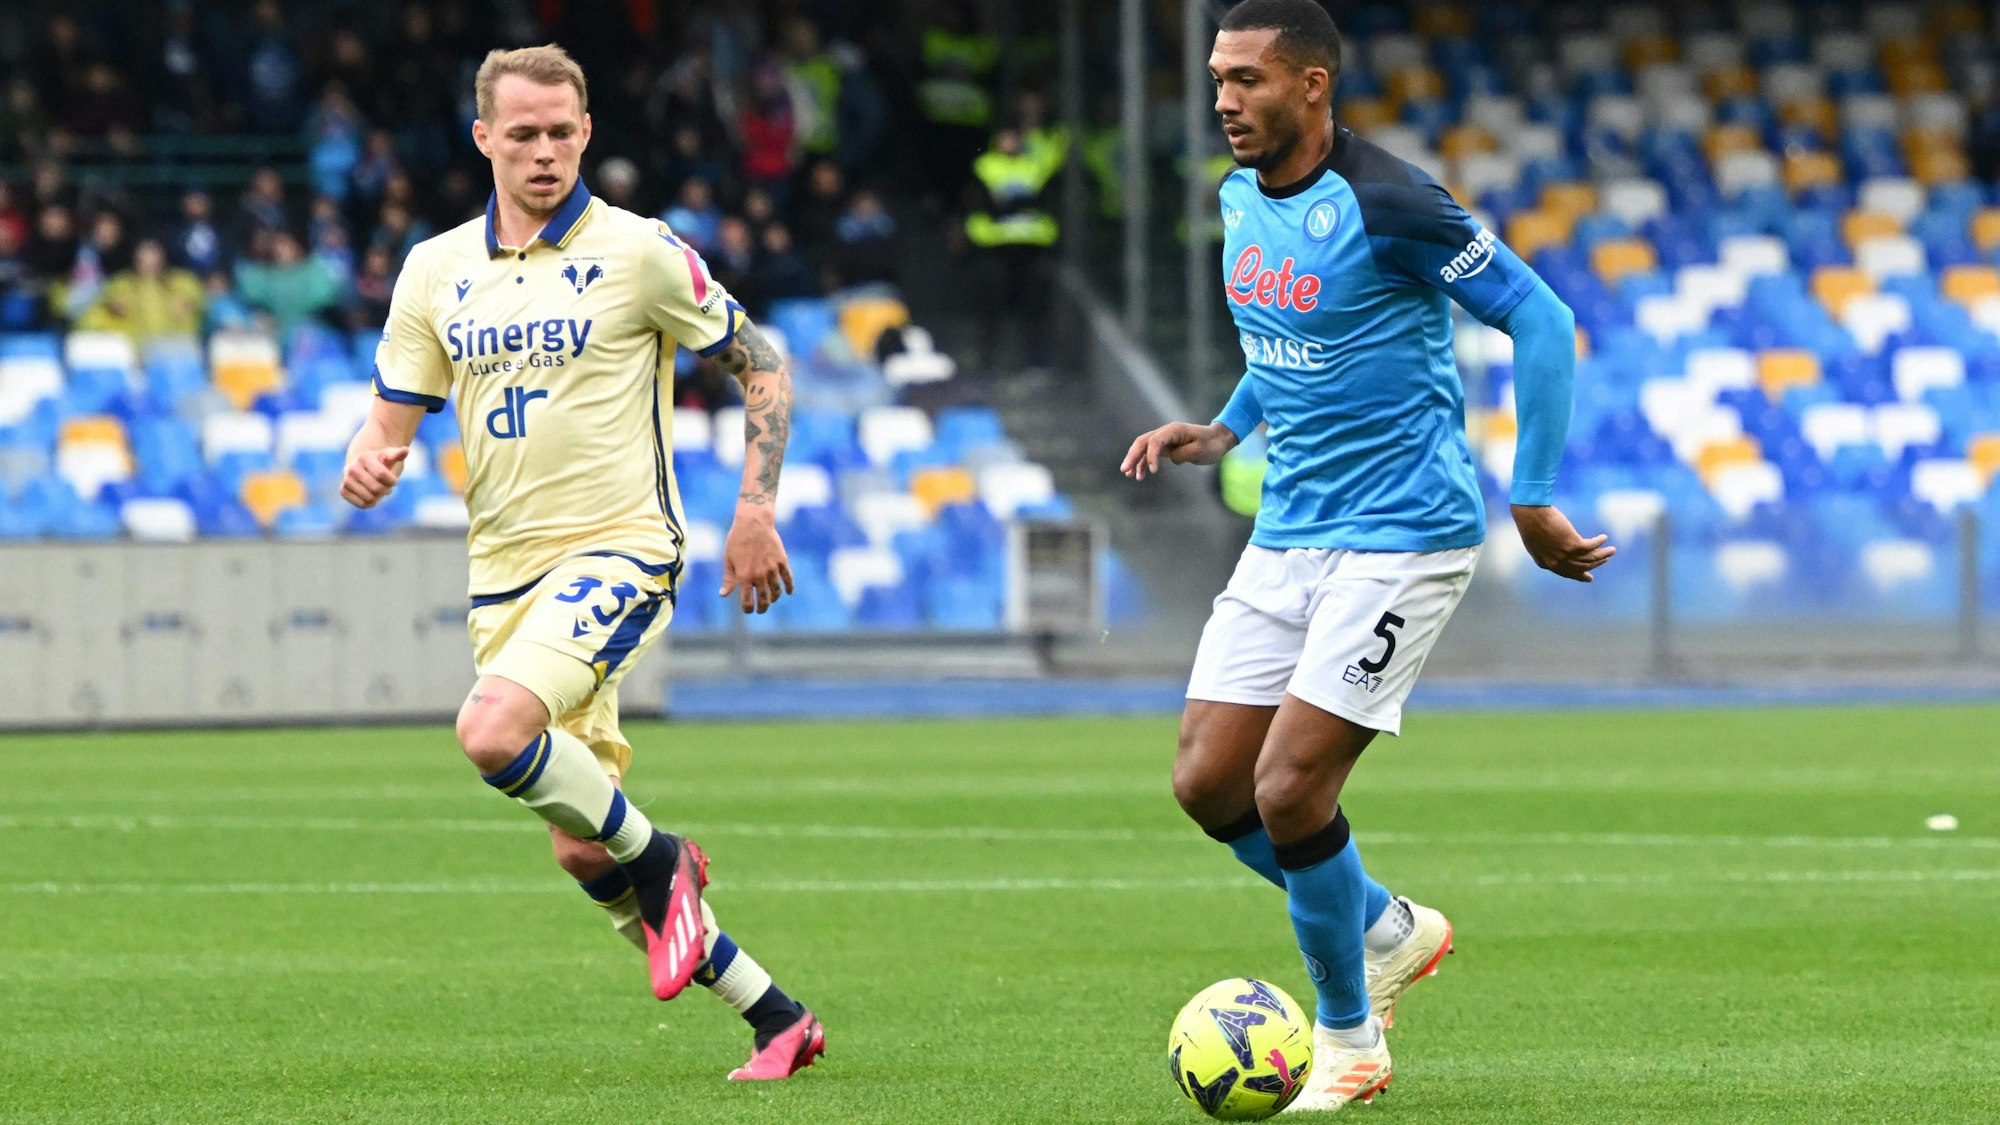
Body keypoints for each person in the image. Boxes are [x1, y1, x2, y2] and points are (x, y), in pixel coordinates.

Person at [1121, 1, 1614, 1111]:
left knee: (1290, 788)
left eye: (1246, 79)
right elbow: (1290, 337)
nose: (1223, 101)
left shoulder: (1391, 203)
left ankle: (1347, 1040)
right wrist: (1226, 429)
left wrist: (1532, 494)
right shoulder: (1237, 195)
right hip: (1291, 528)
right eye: (1216, 79)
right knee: (1207, 782)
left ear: (1311, 85)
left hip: (1403, 536)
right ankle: (1388, 927)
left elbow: (1540, 319)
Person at [338, 44, 823, 1082]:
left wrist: (753, 508)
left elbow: (762, 363)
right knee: (580, 844)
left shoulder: (640, 251)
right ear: (484, 138)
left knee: (490, 730)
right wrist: (368, 460)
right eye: (523, 134)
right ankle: (777, 1018)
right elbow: (387, 422)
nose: (545, 151)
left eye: (562, 132)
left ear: (587, 133)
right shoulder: (434, 270)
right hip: (502, 580)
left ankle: (665, 857)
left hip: (620, 549)